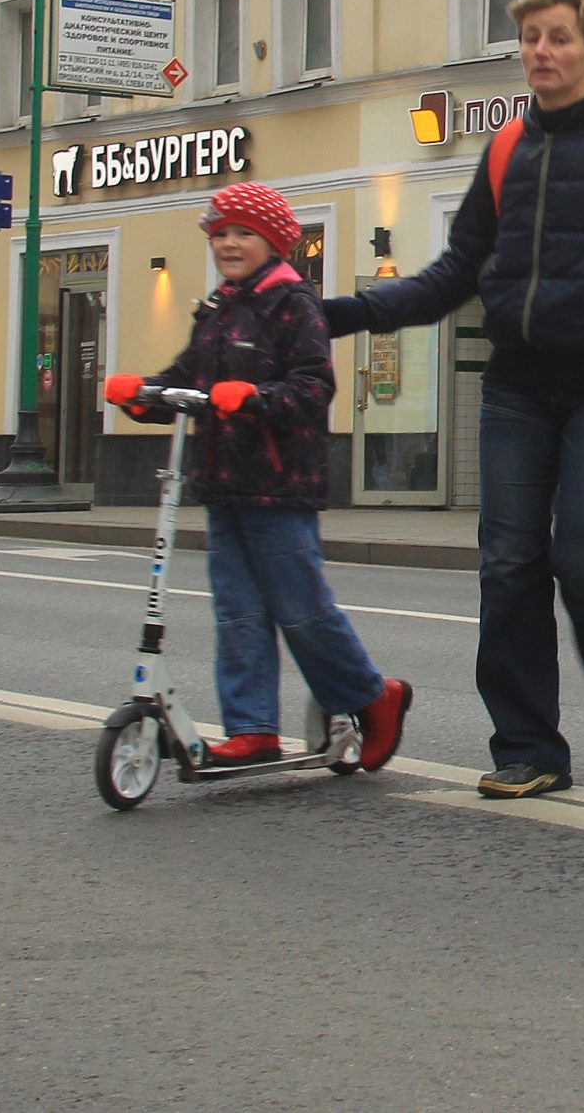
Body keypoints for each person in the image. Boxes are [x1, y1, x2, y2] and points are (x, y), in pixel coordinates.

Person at [326, 0, 584, 799]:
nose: (541, 51)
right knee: (507, 564)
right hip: (518, 387)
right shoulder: (504, 150)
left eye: (558, 37)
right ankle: (529, 746)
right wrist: (349, 312)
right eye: (530, 39)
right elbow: (455, 272)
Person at [102, 181, 411, 772]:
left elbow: (314, 386)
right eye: (220, 234)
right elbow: (190, 376)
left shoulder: (295, 304)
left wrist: (255, 399)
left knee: (302, 610)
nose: (230, 244)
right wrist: (143, 395)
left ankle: (375, 696)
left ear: (273, 241)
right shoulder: (218, 306)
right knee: (237, 610)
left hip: (280, 482)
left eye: (243, 233)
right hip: (223, 479)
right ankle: (251, 729)